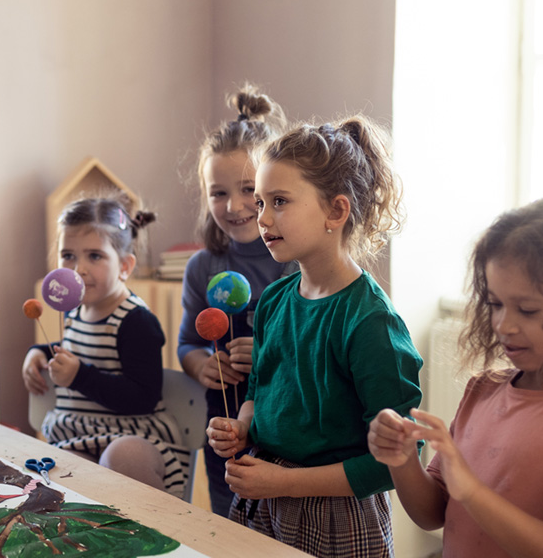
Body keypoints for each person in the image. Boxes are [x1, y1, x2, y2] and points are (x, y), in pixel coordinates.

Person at [206, 115, 423, 557]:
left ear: (336, 211)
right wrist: (242, 426)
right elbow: (259, 392)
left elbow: (393, 462)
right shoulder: (274, 301)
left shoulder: (370, 323)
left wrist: (284, 481)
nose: (261, 217)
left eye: (279, 201)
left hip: (336, 520)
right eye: (261, 201)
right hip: (264, 503)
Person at [368, 199, 543, 558]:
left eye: (527, 310)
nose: (503, 325)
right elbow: (431, 514)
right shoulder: (483, 390)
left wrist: (472, 492)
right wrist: (401, 459)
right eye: (495, 304)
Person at [177, 83, 295, 517]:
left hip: (281, 426)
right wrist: (200, 364)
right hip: (223, 426)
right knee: (230, 516)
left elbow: (311, 357)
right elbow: (187, 344)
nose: (235, 206)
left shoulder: (294, 266)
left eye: (249, 189)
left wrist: (264, 352)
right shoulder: (202, 268)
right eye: (218, 193)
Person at [21, 195, 188, 497]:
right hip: (78, 438)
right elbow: (77, 347)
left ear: (125, 266)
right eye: (68, 255)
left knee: (122, 457)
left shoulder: (135, 321)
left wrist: (79, 377)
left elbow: (143, 397)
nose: (79, 268)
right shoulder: (74, 310)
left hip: (131, 436)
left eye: (95, 256)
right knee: (61, 476)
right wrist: (39, 352)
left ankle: (149, 534)